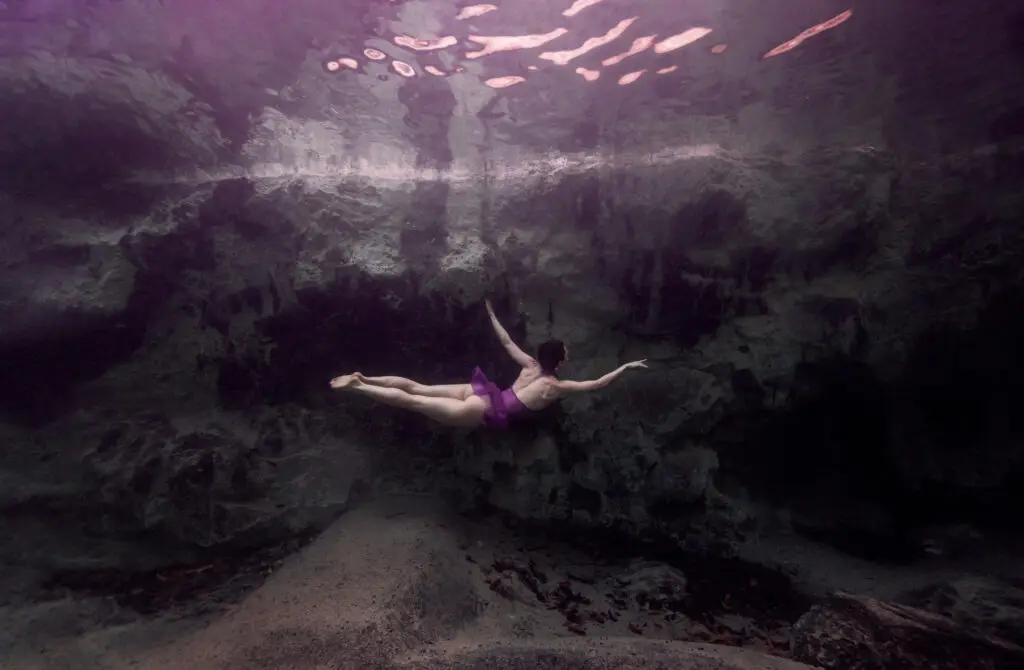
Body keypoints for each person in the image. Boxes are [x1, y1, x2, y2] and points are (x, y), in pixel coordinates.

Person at [329, 299, 648, 428]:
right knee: (413, 402)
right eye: (567, 353)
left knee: (417, 387)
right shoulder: (555, 387)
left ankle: (365, 377)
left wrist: (492, 315)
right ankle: (358, 387)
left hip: (481, 392)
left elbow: (506, 341)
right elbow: (597, 384)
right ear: (561, 361)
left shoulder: (529, 365)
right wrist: (627, 367)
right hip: (482, 411)